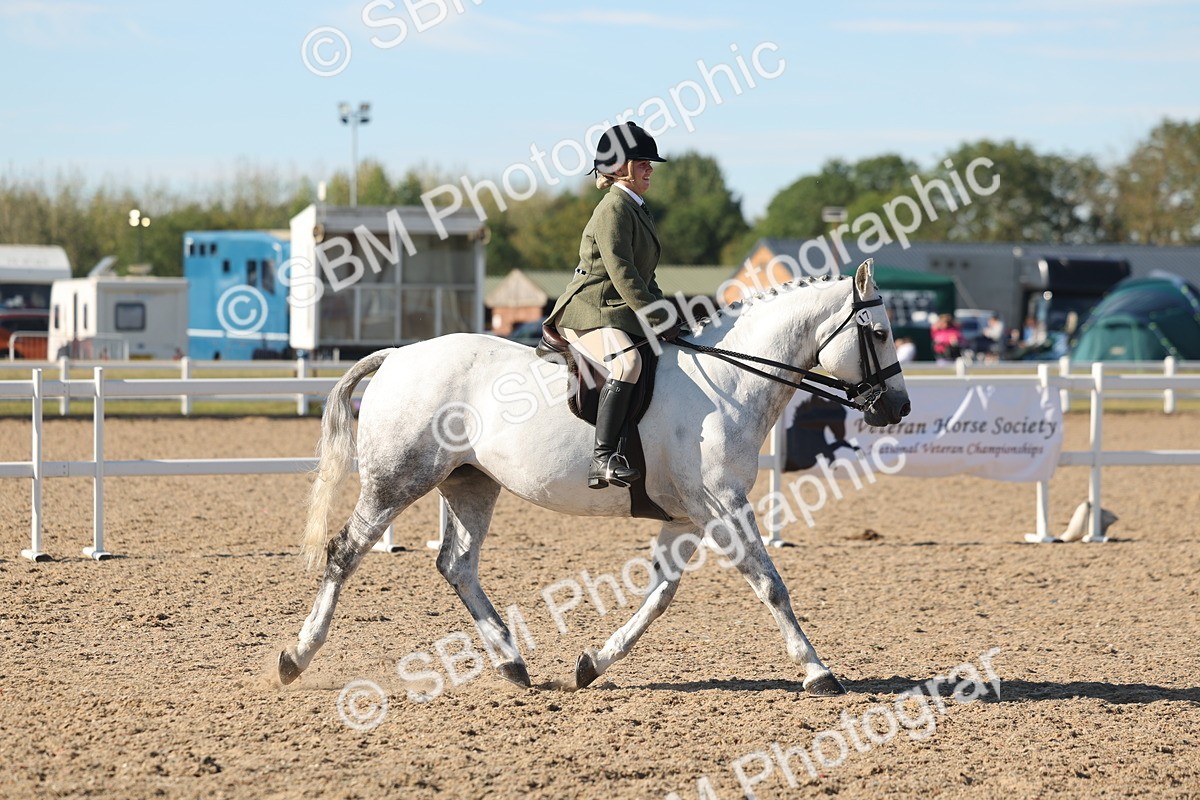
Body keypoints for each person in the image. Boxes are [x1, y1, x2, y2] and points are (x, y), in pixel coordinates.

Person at [546, 121, 673, 490]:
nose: (650, 168)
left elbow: (645, 277)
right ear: (620, 168)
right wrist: (654, 316)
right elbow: (622, 273)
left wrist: (668, 314)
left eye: (650, 163)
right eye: (642, 162)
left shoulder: (637, 207)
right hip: (589, 308)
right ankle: (602, 458)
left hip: (616, 310)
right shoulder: (614, 207)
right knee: (627, 361)